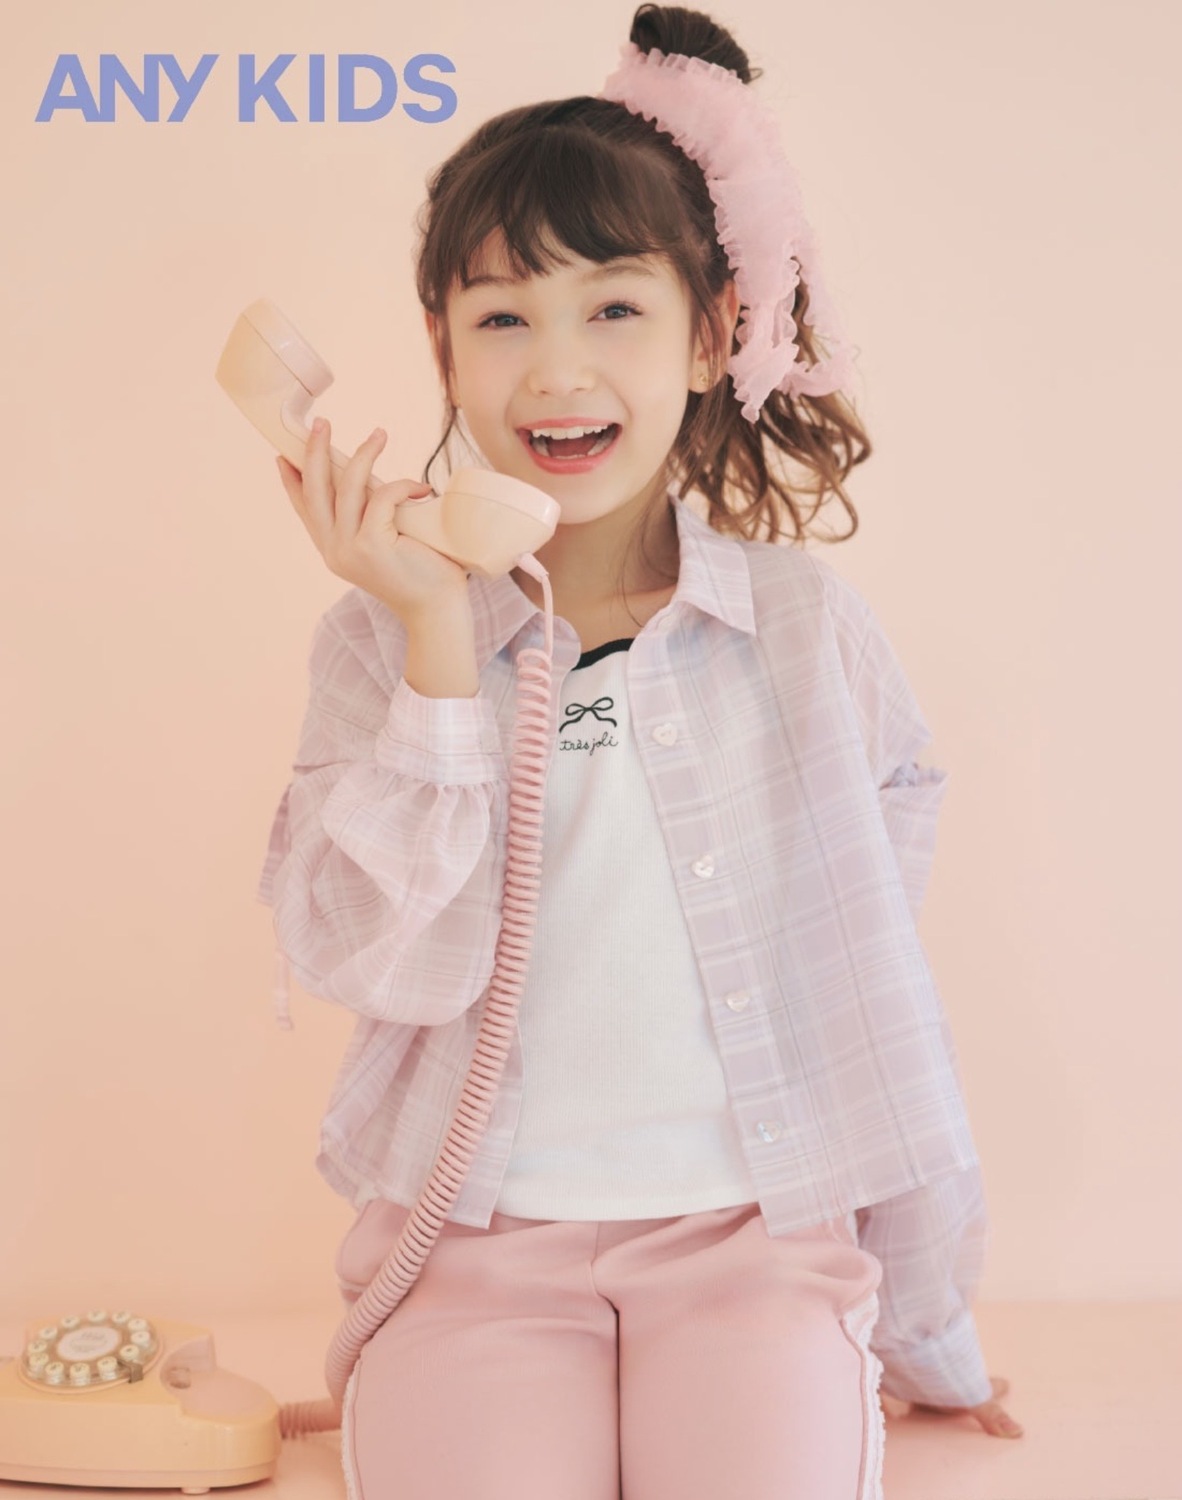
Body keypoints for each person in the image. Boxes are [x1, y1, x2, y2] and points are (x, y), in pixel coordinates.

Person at [259, 5, 1023, 1495]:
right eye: (502, 318)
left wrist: (932, 1337)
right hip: (474, 1251)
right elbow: (376, 965)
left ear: (713, 331)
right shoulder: (374, 642)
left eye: (612, 307)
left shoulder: (804, 635)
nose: (557, 370)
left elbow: (873, 1002)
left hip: (751, 1249)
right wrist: (433, 641)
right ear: (441, 349)